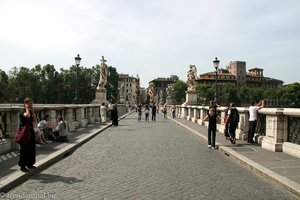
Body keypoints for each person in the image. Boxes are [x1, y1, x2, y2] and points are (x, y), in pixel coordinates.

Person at [18, 97, 36, 172]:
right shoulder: (22, 111)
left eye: (31, 103)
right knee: (24, 149)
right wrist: (27, 109)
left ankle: (30, 164)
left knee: (31, 148)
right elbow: (27, 116)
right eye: (29, 103)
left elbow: (34, 119)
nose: (31, 105)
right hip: (24, 132)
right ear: (25, 104)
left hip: (30, 131)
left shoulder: (31, 111)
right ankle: (22, 166)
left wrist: (33, 110)